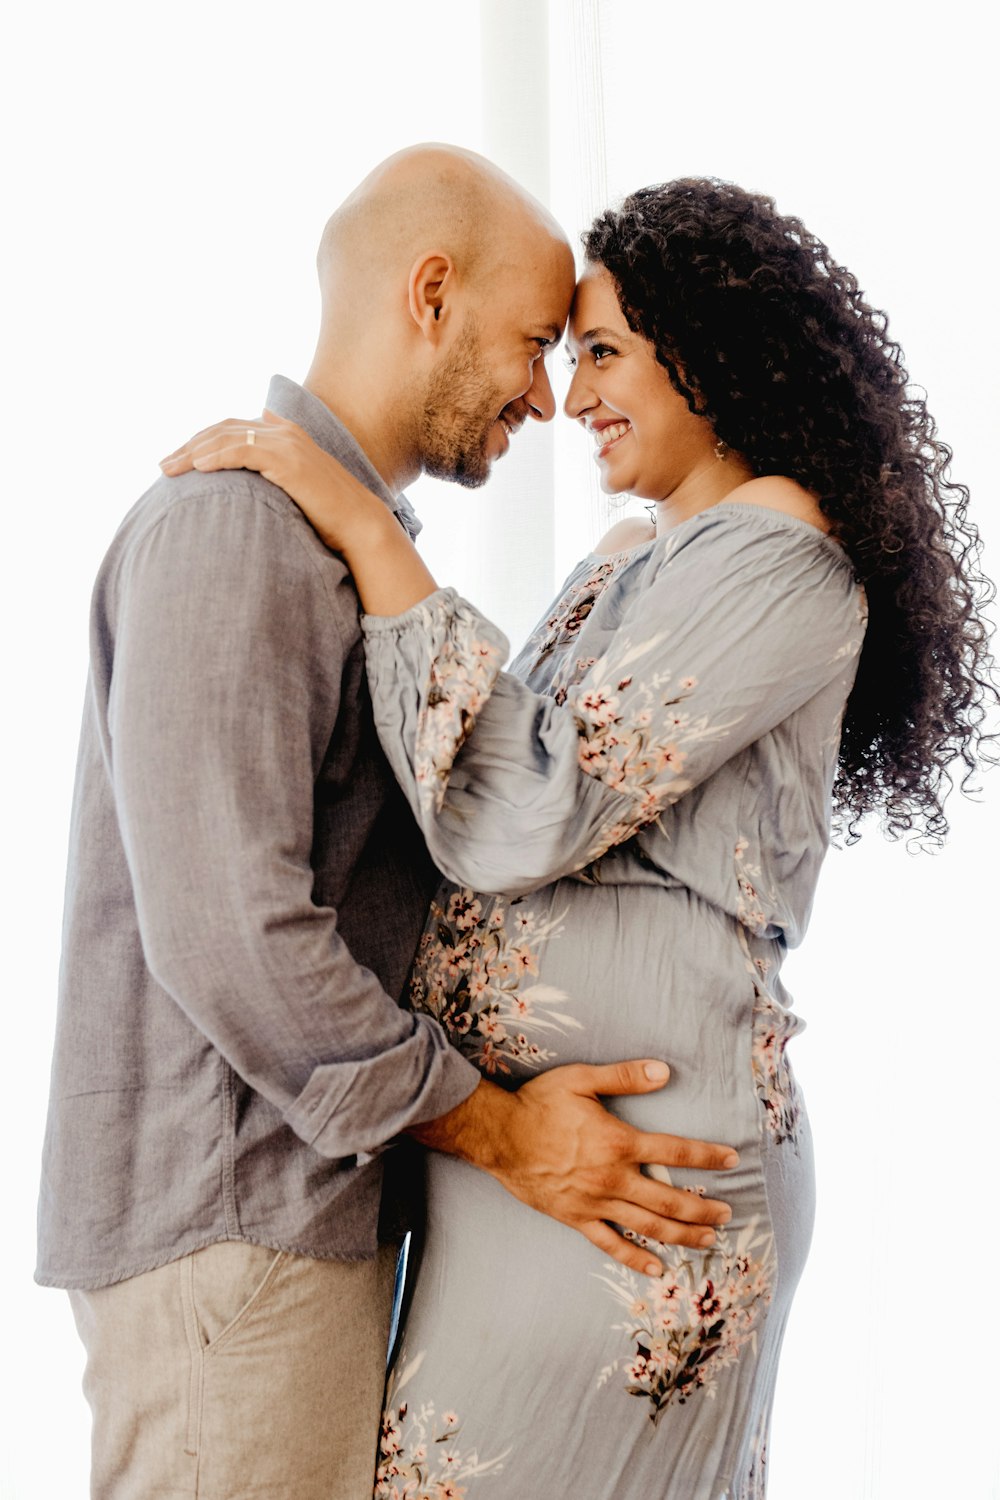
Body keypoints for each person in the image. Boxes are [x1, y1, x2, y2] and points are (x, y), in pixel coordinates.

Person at [165, 177, 997, 1497]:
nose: (571, 393)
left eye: (601, 350)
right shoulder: (624, 559)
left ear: (708, 356)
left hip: (650, 1170)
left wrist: (362, 521)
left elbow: (519, 806)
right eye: (562, 352)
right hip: (527, 1164)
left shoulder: (783, 555)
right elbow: (466, 779)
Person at [36, 149, 741, 1500]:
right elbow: (235, 938)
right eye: (537, 343)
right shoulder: (233, 533)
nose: (547, 395)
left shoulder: (326, 542)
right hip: (235, 1244)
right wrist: (500, 1129)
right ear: (431, 294)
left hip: (290, 1233)